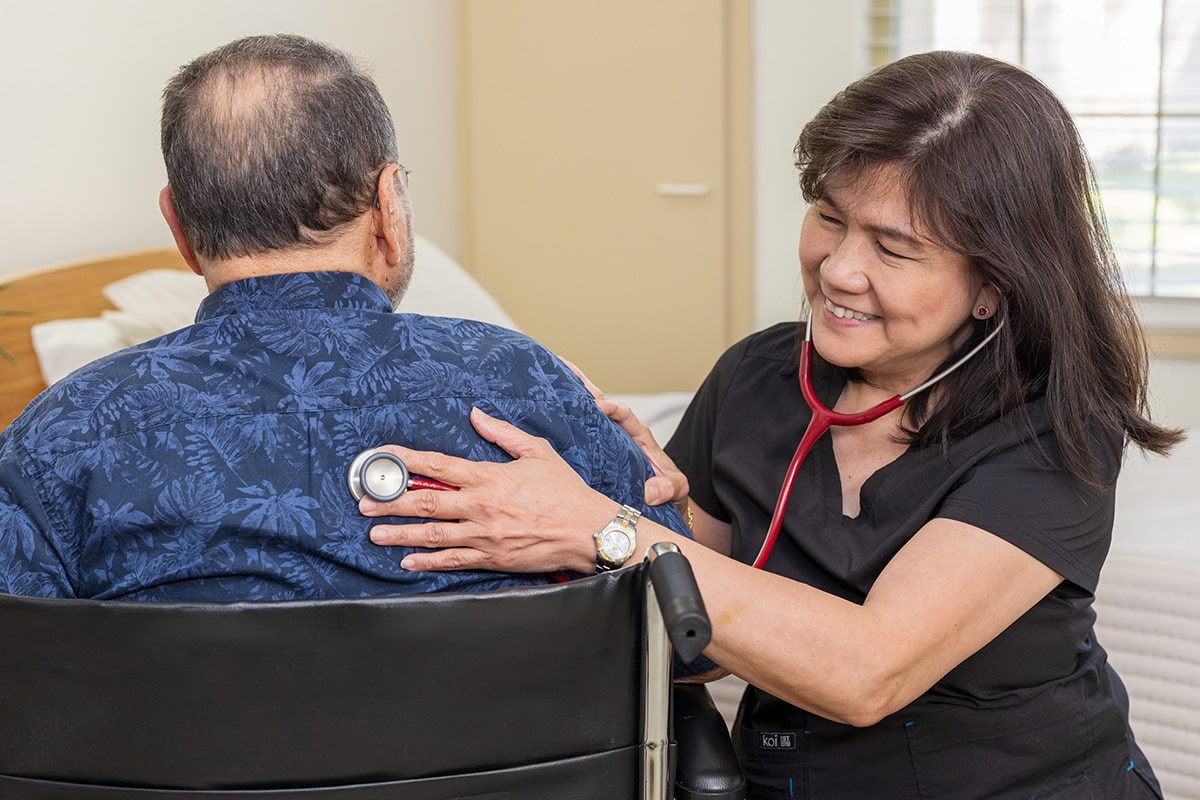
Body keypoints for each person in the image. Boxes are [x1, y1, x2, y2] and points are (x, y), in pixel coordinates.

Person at [358, 51, 1182, 798]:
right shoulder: (757, 378)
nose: (838, 268)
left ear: (993, 287)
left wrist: (607, 530)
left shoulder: (1049, 432)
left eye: (893, 250)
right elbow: (692, 651)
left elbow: (868, 671)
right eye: (829, 216)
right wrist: (629, 503)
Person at [0, 33, 686, 601]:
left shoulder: (58, 438)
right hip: (525, 771)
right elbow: (697, 645)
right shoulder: (527, 385)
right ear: (391, 207)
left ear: (179, 228)